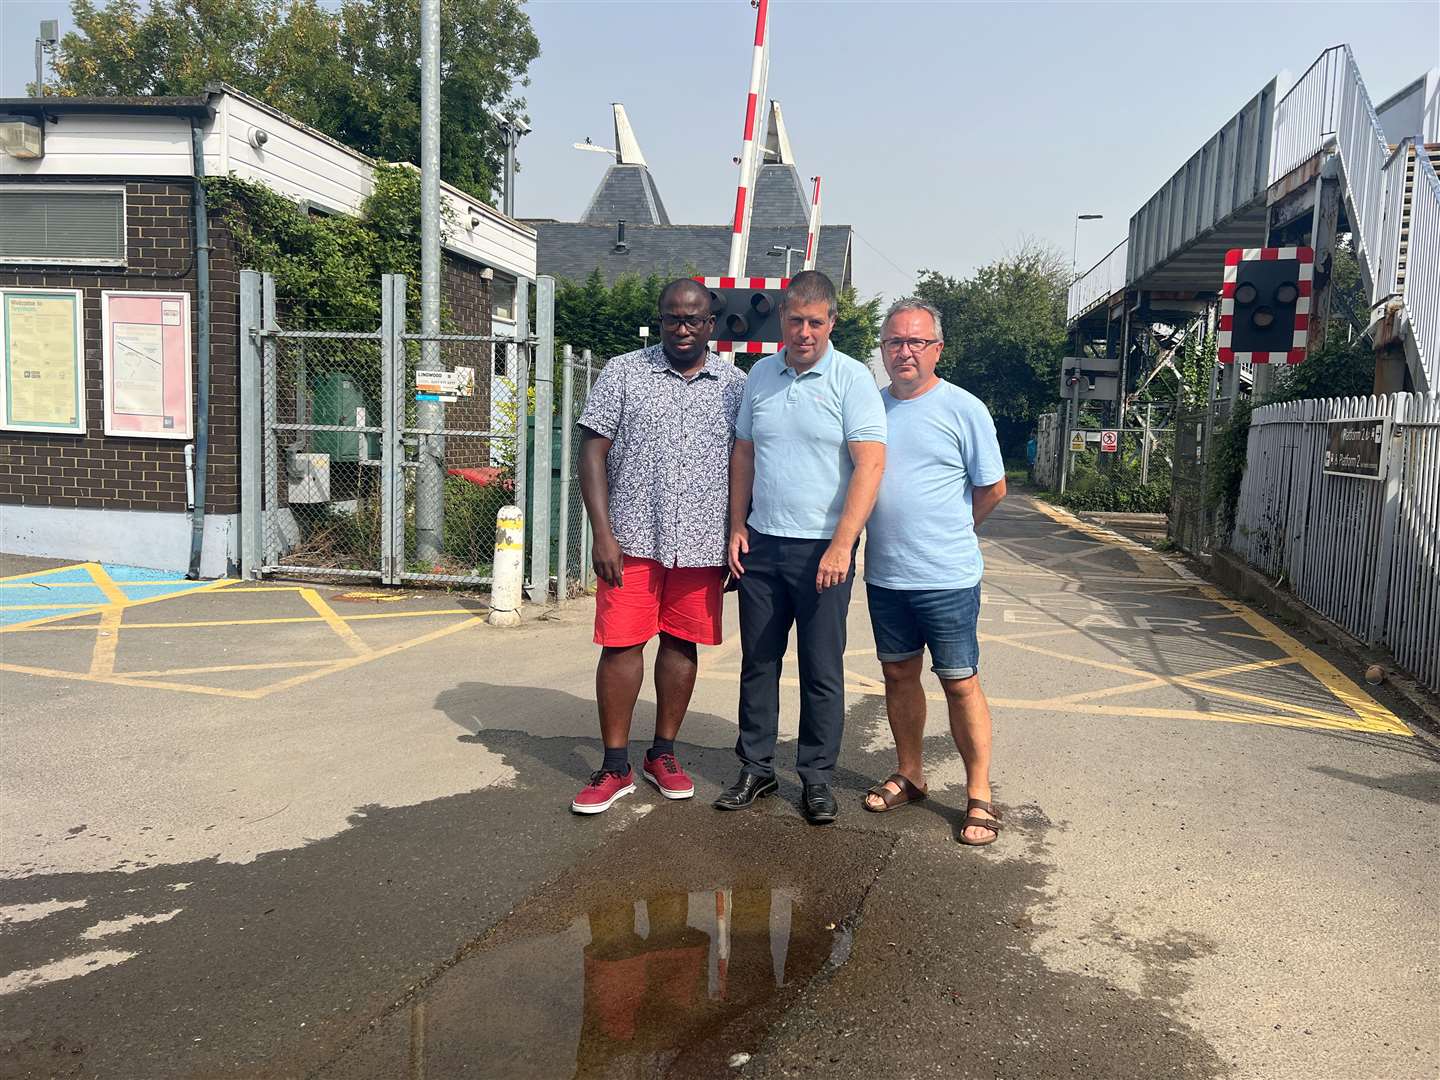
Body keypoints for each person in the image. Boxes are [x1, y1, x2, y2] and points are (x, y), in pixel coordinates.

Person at [717, 270, 887, 824]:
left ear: (832, 322)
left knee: (820, 669)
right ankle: (757, 767)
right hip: (764, 544)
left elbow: (870, 464)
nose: (804, 332)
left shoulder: (851, 378)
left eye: (816, 322)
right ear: (782, 321)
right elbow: (743, 453)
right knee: (758, 662)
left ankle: (816, 777)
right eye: (795, 321)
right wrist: (736, 525)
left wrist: (843, 545)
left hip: (823, 551)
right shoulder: (760, 376)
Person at [570, 278, 746, 814]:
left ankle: (662, 754)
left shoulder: (736, 387)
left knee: (680, 645)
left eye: (694, 319)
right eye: (673, 317)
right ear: (660, 319)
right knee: (621, 645)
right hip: (632, 540)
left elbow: (748, 464)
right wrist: (602, 532)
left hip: (700, 544)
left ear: (710, 324)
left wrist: (739, 532)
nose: (684, 327)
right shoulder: (624, 372)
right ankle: (615, 764)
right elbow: (592, 453)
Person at [859, 298, 1008, 845]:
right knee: (898, 675)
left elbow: (993, 487)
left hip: (947, 577)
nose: (904, 351)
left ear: (937, 349)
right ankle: (911, 773)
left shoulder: (964, 408)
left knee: (960, 682)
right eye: (895, 341)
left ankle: (979, 795)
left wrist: (954, 531)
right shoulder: (870, 411)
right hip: (886, 575)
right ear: (883, 350)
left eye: (916, 342)